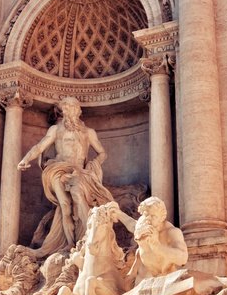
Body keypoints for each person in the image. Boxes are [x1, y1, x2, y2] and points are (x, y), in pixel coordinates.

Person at [18, 97, 114, 256]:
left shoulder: (89, 132)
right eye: (66, 107)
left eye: (73, 107)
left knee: (78, 197)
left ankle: (88, 237)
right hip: (58, 169)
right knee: (64, 204)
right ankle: (70, 243)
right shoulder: (55, 130)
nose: (69, 110)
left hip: (79, 171)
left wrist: (93, 164)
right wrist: (25, 159)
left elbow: (102, 153)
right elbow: (39, 147)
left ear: (79, 110)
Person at [111, 196, 188, 284]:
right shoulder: (143, 222)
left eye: (153, 216)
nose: (148, 220)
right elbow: (133, 226)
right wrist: (118, 214)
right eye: (146, 215)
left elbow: (183, 258)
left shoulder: (172, 232)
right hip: (144, 277)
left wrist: (157, 246)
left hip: (166, 278)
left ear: (162, 217)